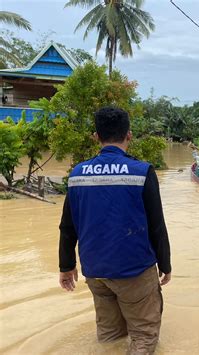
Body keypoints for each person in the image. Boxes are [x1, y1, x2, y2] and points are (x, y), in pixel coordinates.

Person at [58, 107, 171, 355]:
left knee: (110, 336)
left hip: (95, 272)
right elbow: (157, 225)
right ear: (129, 135)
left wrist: (66, 266)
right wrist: (165, 263)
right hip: (134, 271)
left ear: (96, 137)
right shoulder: (142, 172)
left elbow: (68, 226)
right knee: (143, 336)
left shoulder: (77, 175)